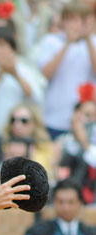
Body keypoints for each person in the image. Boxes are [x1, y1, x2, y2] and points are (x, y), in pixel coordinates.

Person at [37, 1, 96, 138]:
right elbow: (46, 74)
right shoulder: (50, 41)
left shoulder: (93, 42)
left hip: (85, 119)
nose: (74, 25)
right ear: (63, 21)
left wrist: (86, 38)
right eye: (70, 19)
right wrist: (68, 43)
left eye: (78, 19)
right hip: (54, 118)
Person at [24, 178, 96, 235]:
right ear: (54, 202)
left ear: (80, 203)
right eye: (61, 202)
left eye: (71, 202)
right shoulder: (38, 233)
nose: (66, 208)